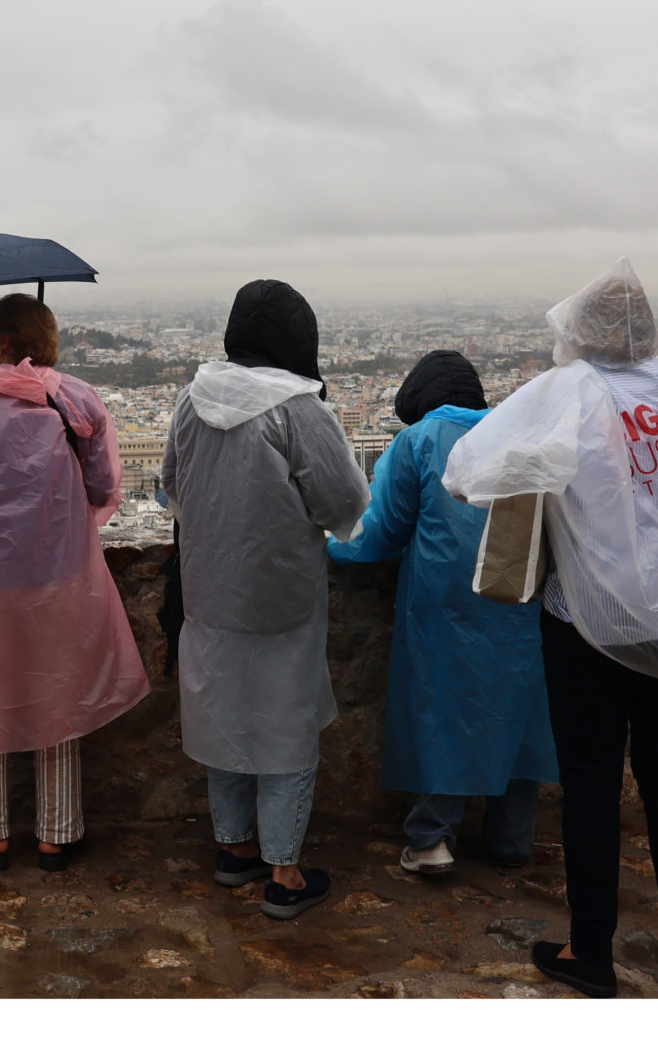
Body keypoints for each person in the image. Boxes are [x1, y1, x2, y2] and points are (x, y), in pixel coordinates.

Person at [443, 260, 658, 998]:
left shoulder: (570, 389)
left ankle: (590, 950)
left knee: (593, 784)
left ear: (579, 331)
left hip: (595, 621)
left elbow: (464, 470)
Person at [161, 280, 370, 920]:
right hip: (281, 598)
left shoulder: (191, 400)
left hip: (209, 592)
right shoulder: (298, 409)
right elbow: (343, 502)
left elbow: (171, 485)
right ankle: (285, 872)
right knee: (285, 727)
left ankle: (234, 849)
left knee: (223, 717)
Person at [0, 293, 150, 872]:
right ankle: (58, 833)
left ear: (2, 341)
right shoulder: (76, 398)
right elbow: (103, 483)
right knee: (59, 685)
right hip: (59, 565)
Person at [328, 350, 556, 874]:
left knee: (442, 712)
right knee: (516, 712)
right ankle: (512, 838)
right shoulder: (522, 435)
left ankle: (432, 839)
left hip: (444, 604)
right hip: (520, 603)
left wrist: (330, 545)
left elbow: (380, 531)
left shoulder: (419, 440)